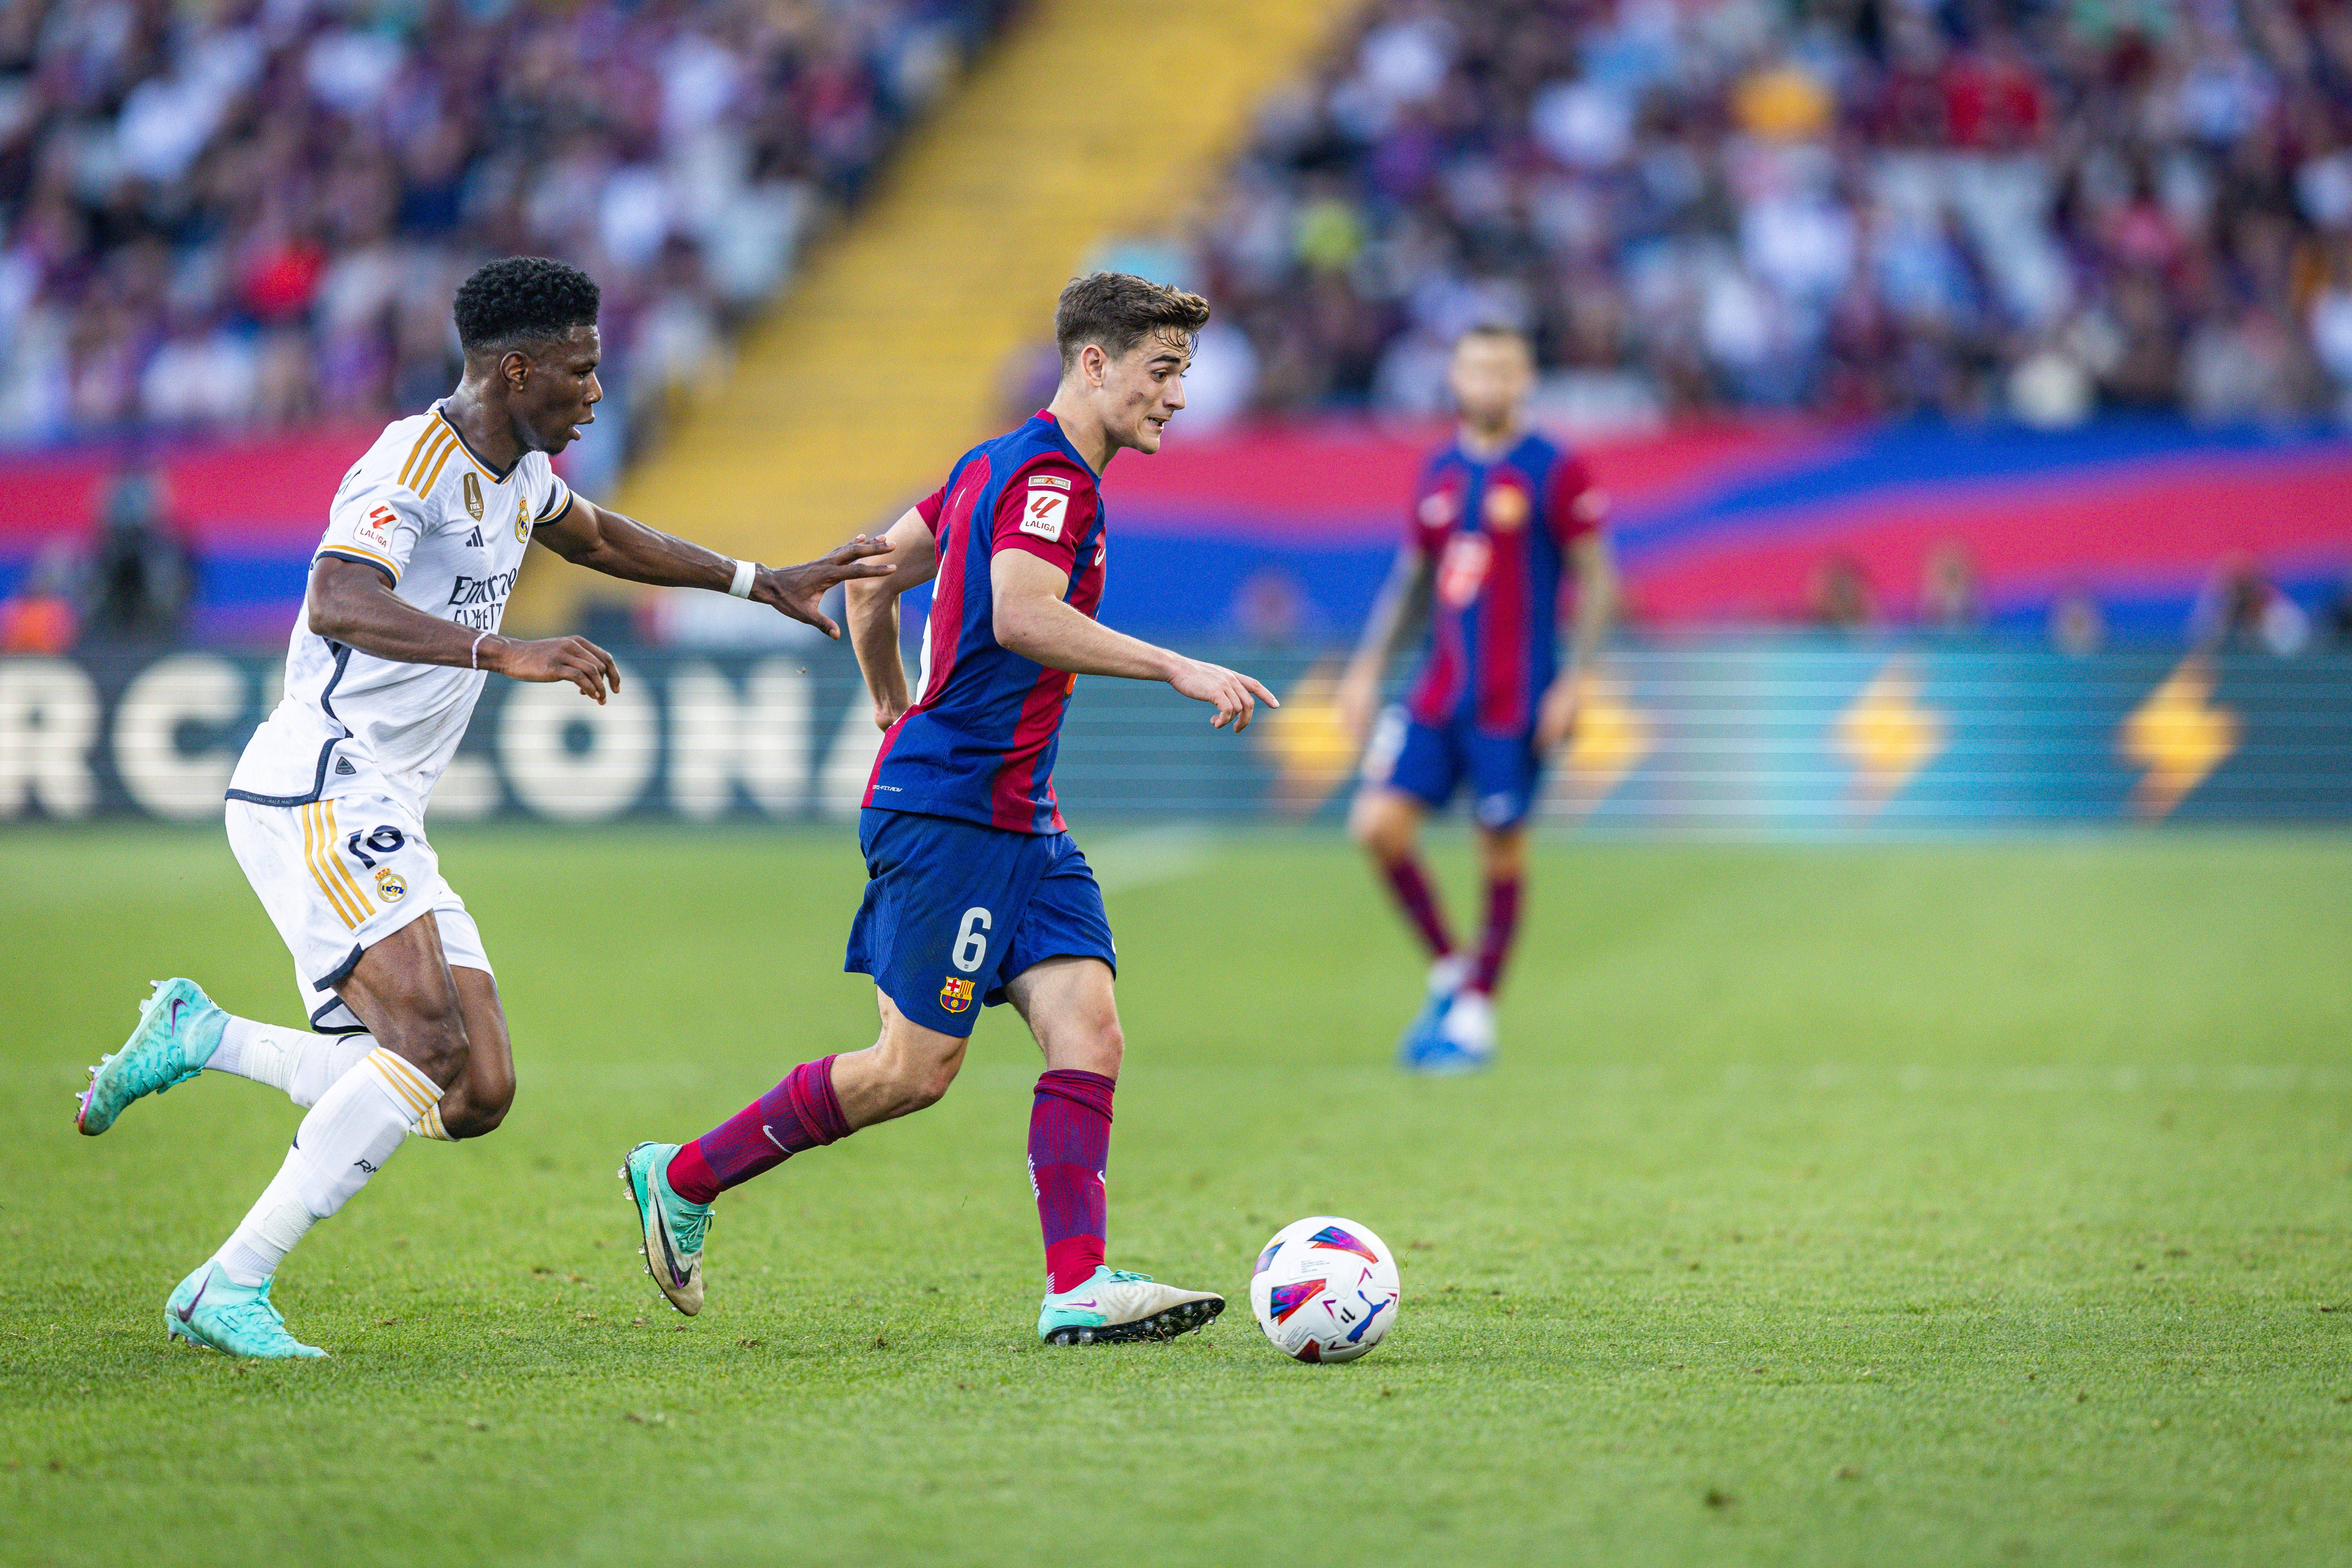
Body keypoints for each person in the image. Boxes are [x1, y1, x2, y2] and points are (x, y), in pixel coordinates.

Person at [73, 256, 893, 1359]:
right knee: (422, 1041)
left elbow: (596, 537)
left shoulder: (516, 472)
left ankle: (202, 1035)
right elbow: (339, 596)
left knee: (476, 1090)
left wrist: (760, 580)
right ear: (517, 370)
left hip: (385, 807)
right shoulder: (408, 463)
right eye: (581, 371)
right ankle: (227, 1284)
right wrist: (500, 648)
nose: (597, 393)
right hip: (320, 781)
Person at [617, 273, 1276, 1345]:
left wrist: (888, 697)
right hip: (959, 812)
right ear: (1094, 364)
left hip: (1019, 814)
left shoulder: (987, 465)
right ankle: (682, 1178)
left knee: (1088, 1029)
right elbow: (1021, 616)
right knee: (910, 1071)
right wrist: (1175, 667)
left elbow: (868, 578)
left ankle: (1077, 1285)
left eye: (1184, 377)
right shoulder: (1056, 484)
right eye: (1162, 373)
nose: (1177, 398)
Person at [1336, 324, 1615, 1075]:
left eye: (1503, 368)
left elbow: (1598, 580)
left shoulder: (1556, 468)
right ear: (1455, 378)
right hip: (1438, 692)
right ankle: (1455, 971)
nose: (1488, 381)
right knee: (1376, 824)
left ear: (1525, 379)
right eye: (1475, 368)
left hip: (1515, 701)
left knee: (1500, 850)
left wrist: (1574, 681)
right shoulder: (1439, 470)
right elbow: (1414, 580)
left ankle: (1479, 1011)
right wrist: (1365, 671)